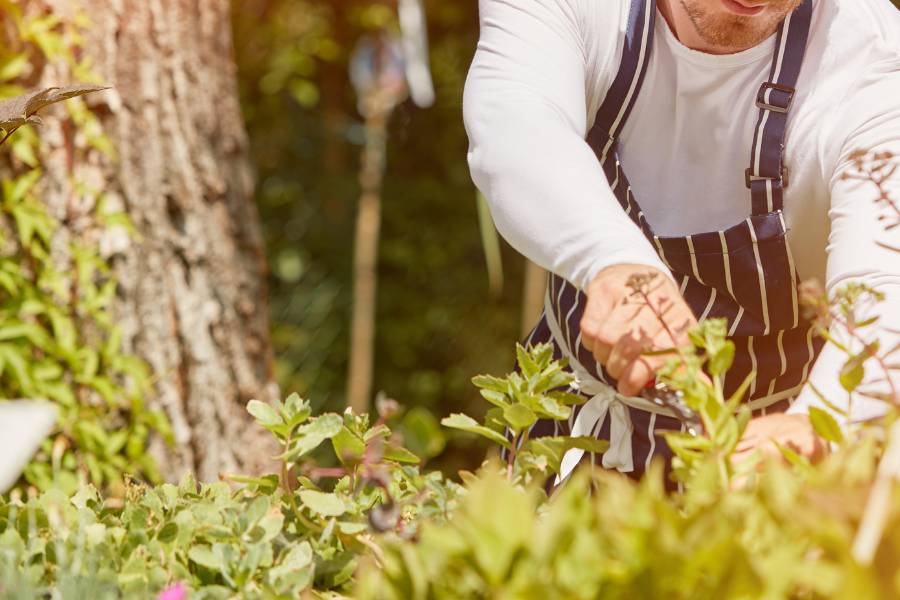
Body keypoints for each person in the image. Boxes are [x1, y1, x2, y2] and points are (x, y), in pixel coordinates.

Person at [463, 0, 900, 484]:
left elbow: (887, 286)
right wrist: (613, 261)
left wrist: (821, 420)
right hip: (565, 426)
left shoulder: (876, 61)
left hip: (764, 463)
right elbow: (518, 126)